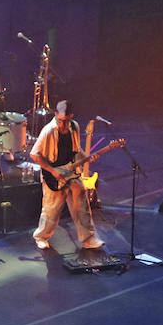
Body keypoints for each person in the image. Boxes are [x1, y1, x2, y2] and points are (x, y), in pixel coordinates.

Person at [29, 99, 104, 254]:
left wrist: (88, 157)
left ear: (71, 116)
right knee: (52, 209)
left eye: (67, 120)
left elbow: (77, 150)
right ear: (56, 114)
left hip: (72, 172)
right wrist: (52, 170)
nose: (63, 124)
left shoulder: (74, 126)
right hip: (54, 174)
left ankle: (89, 239)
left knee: (82, 206)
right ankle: (41, 237)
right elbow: (34, 155)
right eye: (61, 120)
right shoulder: (48, 130)